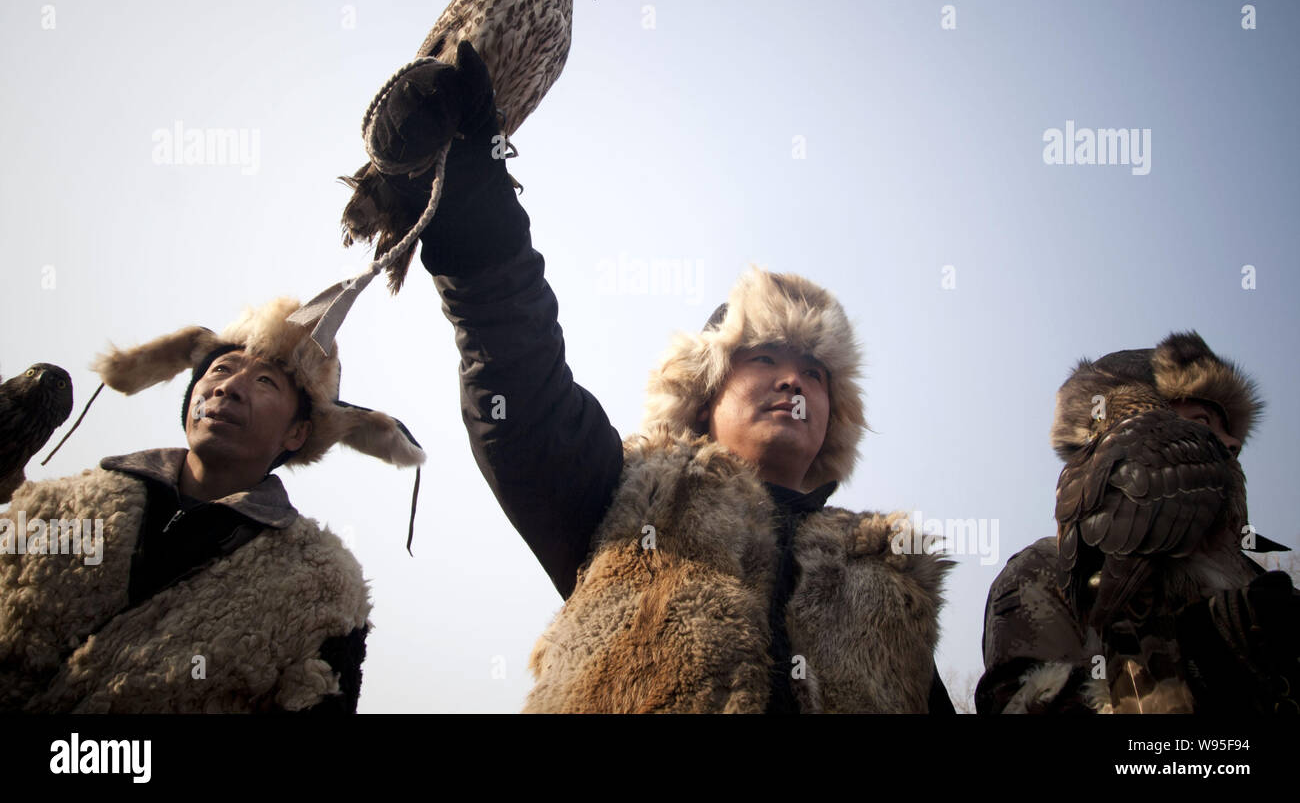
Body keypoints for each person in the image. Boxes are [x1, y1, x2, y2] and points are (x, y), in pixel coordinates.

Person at [377, 46, 955, 712]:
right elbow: (520, 384)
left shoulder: (891, 576)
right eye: (765, 359)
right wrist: (474, 201)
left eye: (815, 373)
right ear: (704, 393)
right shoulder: (624, 493)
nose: (794, 383)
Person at [0, 297, 423, 712]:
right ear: (191, 402)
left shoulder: (320, 587)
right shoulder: (53, 508)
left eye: (265, 382)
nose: (229, 386)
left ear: (296, 434)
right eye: (221, 369)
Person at [976, 332, 1298, 714]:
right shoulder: (1043, 569)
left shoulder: (1259, 583)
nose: (1232, 444)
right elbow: (1021, 704)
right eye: (1203, 421)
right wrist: (1200, 659)